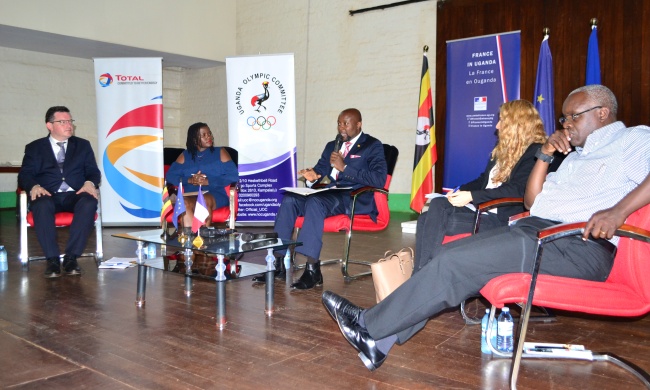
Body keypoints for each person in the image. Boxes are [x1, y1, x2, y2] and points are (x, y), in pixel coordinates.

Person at [321, 85, 650, 371]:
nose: (566, 125)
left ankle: (369, 326)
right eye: (563, 118)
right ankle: (380, 341)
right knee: (447, 255)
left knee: (454, 263)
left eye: (573, 116)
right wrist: (546, 154)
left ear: (603, 113)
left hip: (574, 244)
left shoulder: (631, 140)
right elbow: (533, 202)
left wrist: (618, 212)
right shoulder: (575, 157)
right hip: (537, 231)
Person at [255, 108, 387, 289]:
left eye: (346, 124)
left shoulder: (372, 145)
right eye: (339, 123)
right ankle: (277, 264)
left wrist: (345, 167)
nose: (342, 128)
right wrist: (312, 178)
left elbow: (378, 179)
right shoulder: (332, 145)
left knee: (315, 202)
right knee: (289, 199)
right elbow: (320, 172)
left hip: (352, 197)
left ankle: (312, 269)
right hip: (329, 193)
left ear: (358, 124)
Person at [415, 99, 548, 271]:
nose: (498, 126)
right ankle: (422, 272)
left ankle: (422, 273)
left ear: (517, 124)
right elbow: (483, 181)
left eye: (502, 120)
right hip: (483, 212)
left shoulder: (535, 152)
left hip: (502, 220)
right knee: (429, 213)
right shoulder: (503, 150)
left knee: (433, 215)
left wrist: (471, 196)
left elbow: (518, 190)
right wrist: (459, 191)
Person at [18, 106, 101, 278]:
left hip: (75, 194)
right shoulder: (34, 147)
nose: (69, 125)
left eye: (70, 121)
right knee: (41, 204)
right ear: (49, 125)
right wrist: (34, 186)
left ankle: (71, 258)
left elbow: (93, 171)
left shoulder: (83, 145)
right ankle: (52, 260)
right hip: (47, 194)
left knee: (89, 201)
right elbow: (25, 175)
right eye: (62, 122)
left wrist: (89, 182)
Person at [165, 122, 239, 231]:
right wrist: (190, 180)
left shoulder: (220, 152)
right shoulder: (185, 155)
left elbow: (233, 176)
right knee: (184, 202)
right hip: (191, 194)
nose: (209, 137)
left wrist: (208, 181)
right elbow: (170, 176)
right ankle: (190, 240)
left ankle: (203, 239)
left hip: (215, 194)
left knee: (203, 201)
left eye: (209, 134)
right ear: (194, 139)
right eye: (204, 135)